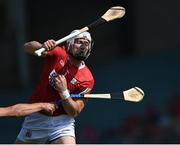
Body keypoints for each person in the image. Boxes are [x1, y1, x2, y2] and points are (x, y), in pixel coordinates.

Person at [15, 30, 94, 144]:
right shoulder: (58, 54)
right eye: (79, 42)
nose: (83, 46)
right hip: (37, 115)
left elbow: (74, 112)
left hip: (62, 123)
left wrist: (64, 92)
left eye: (86, 43)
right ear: (70, 43)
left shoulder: (87, 78)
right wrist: (42, 46)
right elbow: (26, 47)